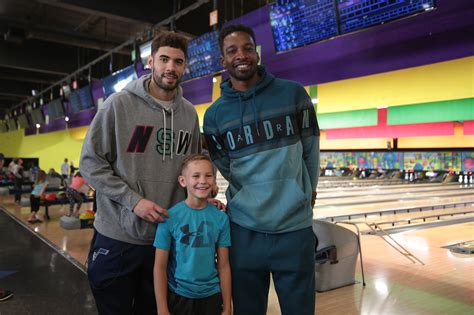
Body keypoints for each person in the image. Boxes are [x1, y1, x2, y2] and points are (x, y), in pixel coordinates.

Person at [80, 31, 201, 314]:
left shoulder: (188, 114)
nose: (170, 67)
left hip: (165, 239)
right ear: (150, 62)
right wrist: (134, 201)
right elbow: (90, 162)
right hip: (118, 237)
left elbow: (194, 165)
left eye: (178, 61)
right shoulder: (118, 105)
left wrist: (202, 195)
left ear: (185, 67)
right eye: (164, 59)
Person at [203, 24, 320, 315]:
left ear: (256, 52)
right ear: (223, 61)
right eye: (232, 50)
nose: (241, 55)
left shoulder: (293, 94)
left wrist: (305, 192)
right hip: (244, 231)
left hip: (294, 229)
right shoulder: (215, 115)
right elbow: (226, 166)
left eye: (247, 48)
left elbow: (311, 150)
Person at [153, 154, 231, 315]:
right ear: (183, 181)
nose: (203, 181)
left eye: (208, 175)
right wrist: (162, 309)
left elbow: (224, 266)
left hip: (212, 295)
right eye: (196, 176)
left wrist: (228, 304)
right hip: (179, 296)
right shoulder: (169, 218)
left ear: (214, 180)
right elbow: (159, 267)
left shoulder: (221, 218)